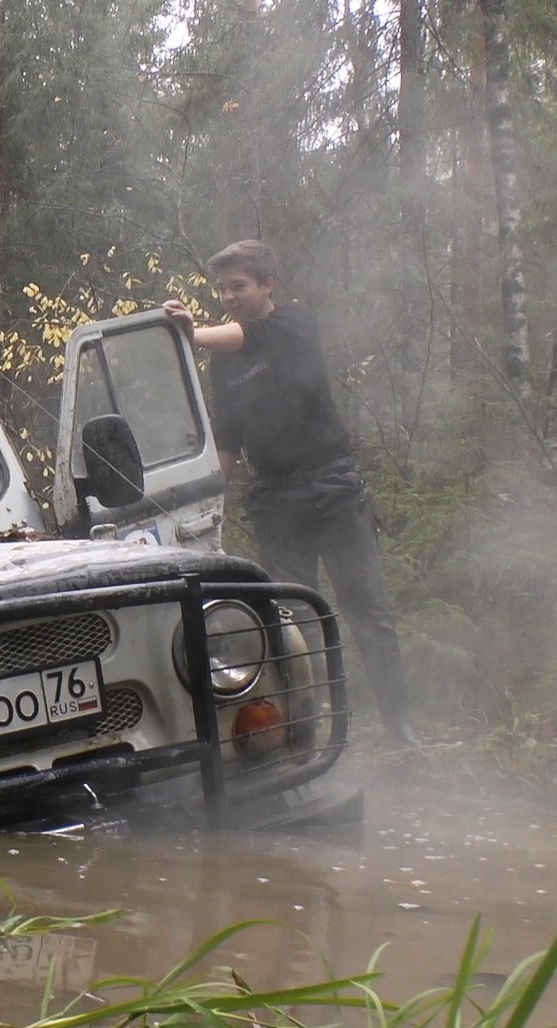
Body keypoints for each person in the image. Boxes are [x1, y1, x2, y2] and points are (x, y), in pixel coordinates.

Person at [163, 240, 420, 748]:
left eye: (238, 286)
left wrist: (192, 333)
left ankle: (400, 729)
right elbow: (229, 441)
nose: (229, 296)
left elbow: (247, 336)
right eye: (222, 288)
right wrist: (197, 497)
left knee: (369, 611)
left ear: (267, 285)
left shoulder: (296, 325)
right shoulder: (226, 364)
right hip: (276, 504)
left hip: (334, 489)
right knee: (293, 627)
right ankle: (307, 735)